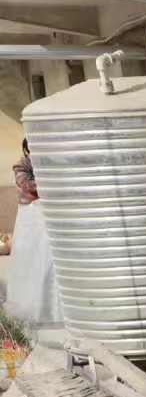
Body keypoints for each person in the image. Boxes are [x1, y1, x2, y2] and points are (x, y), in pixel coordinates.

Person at [6, 138, 60, 328]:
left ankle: (49, 308)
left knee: (47, 259)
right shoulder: (22, 164)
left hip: (46, 211)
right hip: (30, 215)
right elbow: (25, 184)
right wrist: (49, 184)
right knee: (30, 257)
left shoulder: (47, 160)